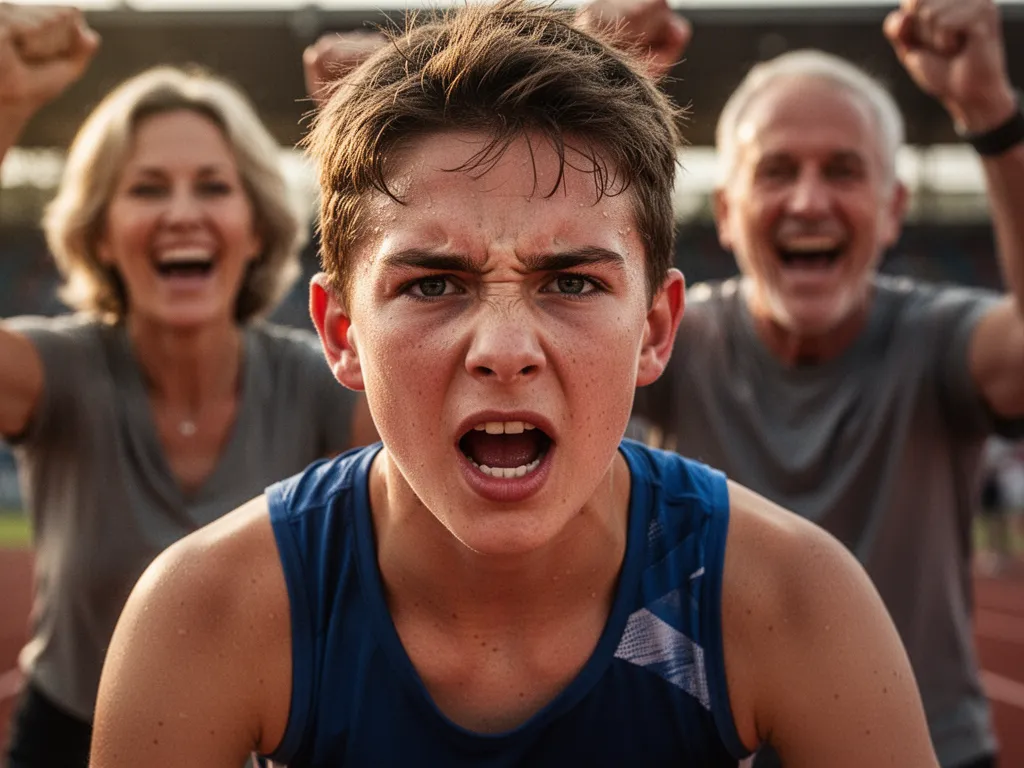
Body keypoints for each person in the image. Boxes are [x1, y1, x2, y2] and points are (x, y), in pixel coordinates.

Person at [88, 3, 939, 766]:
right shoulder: (204, 613)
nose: (503, 350)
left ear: (656, 328)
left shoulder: (796, 601)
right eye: (433, 284)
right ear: (340, 333)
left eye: (571, 282)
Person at [628, 0, 1024, 766]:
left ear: (893, 209)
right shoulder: (672, 336)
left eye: (843, 169)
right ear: (729, 213)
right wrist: (587, 78)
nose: (809, 200)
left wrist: (988, 108)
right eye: (777, 170)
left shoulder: (939, 338)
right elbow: (537, 330)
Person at [0, 5, 376, 766]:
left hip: (265, 743)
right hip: (66, 739)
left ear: (257, 224)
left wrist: (379, 145)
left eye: (212, 186)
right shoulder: (58, 372)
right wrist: (4, 103)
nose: (181, 213)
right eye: (145, 189)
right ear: (101, 230)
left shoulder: (317, 378)